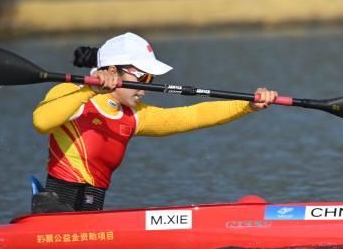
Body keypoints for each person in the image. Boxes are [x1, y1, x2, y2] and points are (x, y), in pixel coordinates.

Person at [30, 32, 277, 212]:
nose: (145, 88)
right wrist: (90, 89)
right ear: (112, 72)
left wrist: (249, 105)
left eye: (150, 80)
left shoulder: (136, 116)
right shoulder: (73, 93)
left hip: (90, 218)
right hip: (54, 211)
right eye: (143, 77)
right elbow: (42, 122)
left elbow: (193, 115)